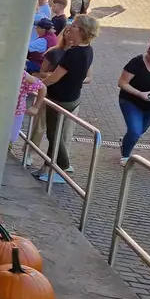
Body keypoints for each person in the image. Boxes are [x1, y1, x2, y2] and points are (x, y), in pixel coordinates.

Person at [35, 14, 99, 183]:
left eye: (75, 25)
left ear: (83, 31)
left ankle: (61, 167)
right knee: (55, 134)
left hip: (61, 98)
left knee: (54, 135)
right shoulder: (87, 49)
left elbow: (55, 77)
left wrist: (37, 85)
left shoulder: (74, 54)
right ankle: (48, 167)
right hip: (71, 97)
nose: (70, 27)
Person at [12, 69, 46, 149]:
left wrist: (36, 107)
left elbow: (42, 87)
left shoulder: (22, 75)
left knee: (11, 137)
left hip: (15, 113)